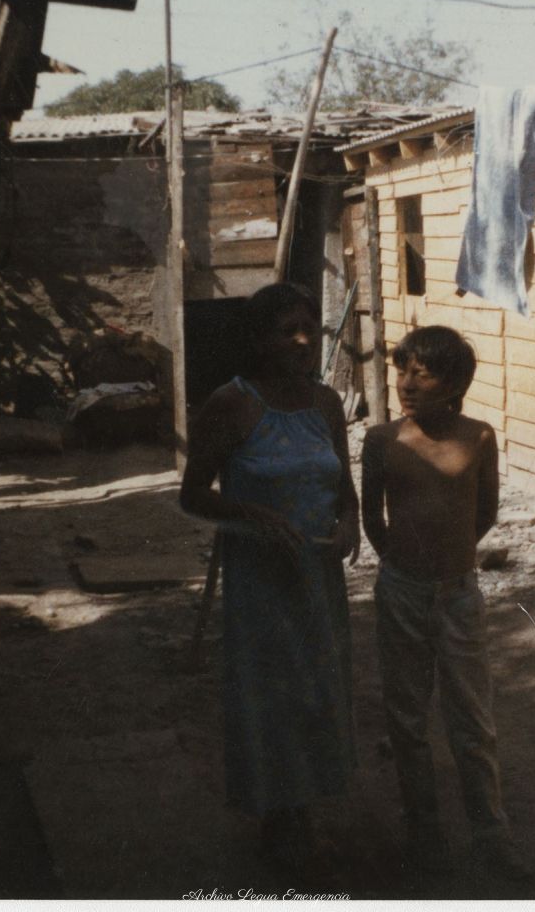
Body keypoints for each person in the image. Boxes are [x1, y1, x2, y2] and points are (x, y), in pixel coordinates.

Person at [180, 282, 359, 870]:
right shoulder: (232, 404)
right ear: (259, 340)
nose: (304, 341)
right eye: (288, 331)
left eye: (310, 329)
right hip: (261, 579)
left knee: (317, 690)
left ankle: (303, 814)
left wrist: (350, 525)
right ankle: (277, 822)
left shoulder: (326, 403)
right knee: (271, 695)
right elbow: (192, 494)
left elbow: (344, 487)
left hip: (318, 577)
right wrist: (251, 515)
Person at [361, 324, 529, 881]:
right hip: (401, 593)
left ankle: (492, 834)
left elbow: (485, 513)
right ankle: (424, 829)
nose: (407, 384)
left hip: (458, 596)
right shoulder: (382, 440)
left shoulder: (478, 437)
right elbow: (372, 517)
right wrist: (402, 563)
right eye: (401, 371)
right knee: (407, 717)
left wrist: (449, 560)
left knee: (472, 719)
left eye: (423, 374)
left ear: (454, 383)